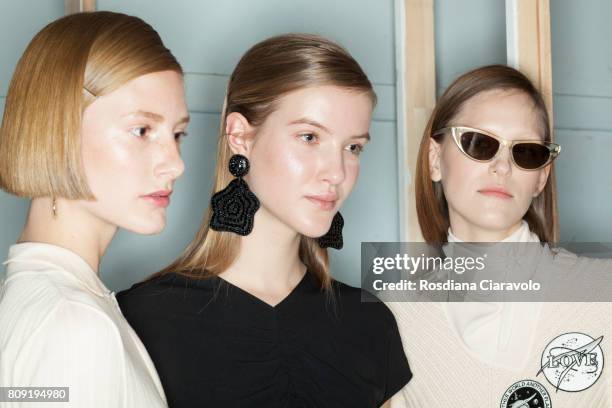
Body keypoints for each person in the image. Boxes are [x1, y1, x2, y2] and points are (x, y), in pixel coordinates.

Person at [118, 33, 412, 408]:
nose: (336, 173)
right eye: (309, 137)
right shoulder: (143, 320)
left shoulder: (369, 323)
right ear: (240, 135)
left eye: (353, 147)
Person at [388, 65, 611, 407]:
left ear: (541, 177)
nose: (502, 167)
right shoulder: (395, 316)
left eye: (525, 152)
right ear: (435, 159)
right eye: (479, 143)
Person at [0, 11, 189, 407]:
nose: (175, 163)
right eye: (142, 130)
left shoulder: (49, 300)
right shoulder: (73, 323)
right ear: (59, 129)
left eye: (177, 134)